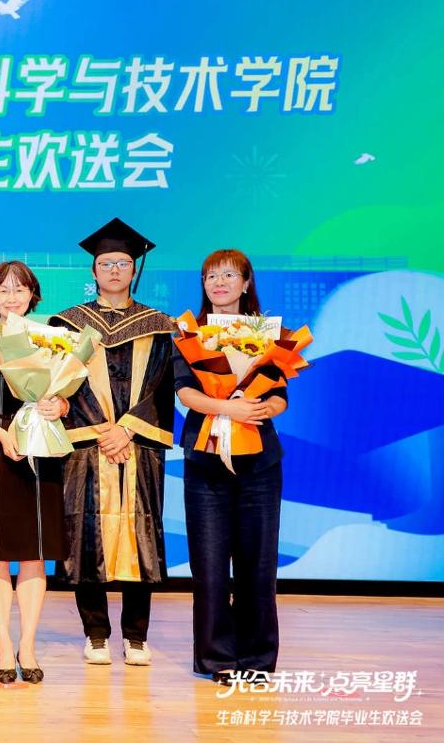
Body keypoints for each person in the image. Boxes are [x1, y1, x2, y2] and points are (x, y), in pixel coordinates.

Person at [51, 219, 175, 667]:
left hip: (139, 445)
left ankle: (136, 636)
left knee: (140, 535)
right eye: (106, 264)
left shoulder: (158, 325)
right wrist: (104, 429)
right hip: (88, 445)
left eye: (122, 263)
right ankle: (96, 634)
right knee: (86, 536)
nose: (115, 270)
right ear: (94, 270)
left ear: (134, 269)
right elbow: (63, 383)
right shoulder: (68, 324)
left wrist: (128, 428)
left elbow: (164, 386)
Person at [175, 250, 288, 683]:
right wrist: (228, 407)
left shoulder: (269, 335)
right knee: (209, 565)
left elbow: (279, 396)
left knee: (258, 564)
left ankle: (257, 659)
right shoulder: (190, 333)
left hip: (259, 463)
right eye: (211, 276)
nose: (218, 283)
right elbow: (185, 392)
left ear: (246, 282)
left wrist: (258, 408)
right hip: (206, 461)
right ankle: (217, 658)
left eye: (228, 275)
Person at [0, 261, 67, 684]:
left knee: (35, 553)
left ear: (33, 295)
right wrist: (3, 435)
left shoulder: (50, 339)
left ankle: (28, 645)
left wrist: (59, 406)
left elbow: (65, 396)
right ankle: (4, 645)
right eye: (3, 289)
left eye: (20, 289)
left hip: (41, 447)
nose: (12, 297)